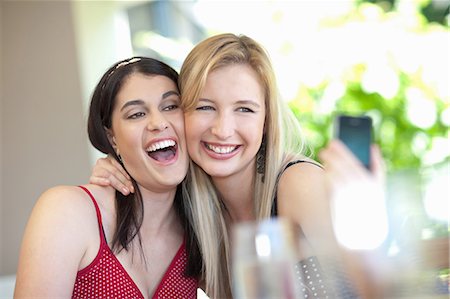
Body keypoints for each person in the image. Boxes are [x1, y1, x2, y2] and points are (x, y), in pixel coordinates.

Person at [90, 34, 383, 298]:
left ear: (266, 121)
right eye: (205, 107)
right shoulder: (194, 216)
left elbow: (379, 287)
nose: (223, 129)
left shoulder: (297, 184)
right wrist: (119, 170)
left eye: (244, 109)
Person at [14, 57, 200, 298]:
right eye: (136, 114)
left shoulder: (199, 232)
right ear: (113, 139)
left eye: (171, 106)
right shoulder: (67, 211)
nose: (158, 122)